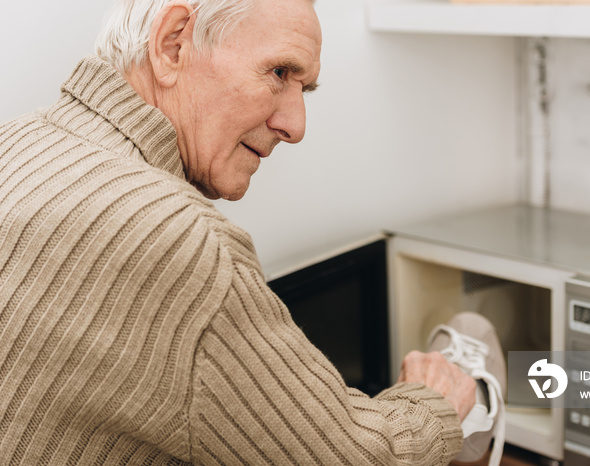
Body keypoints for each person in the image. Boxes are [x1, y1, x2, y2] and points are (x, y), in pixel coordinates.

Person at [0, 0, 504, 464]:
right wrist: (435, 400)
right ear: (173, 43)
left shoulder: (16, 141)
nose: (296, 124)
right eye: (280, 72)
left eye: (303, 88)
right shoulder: (182, 241)